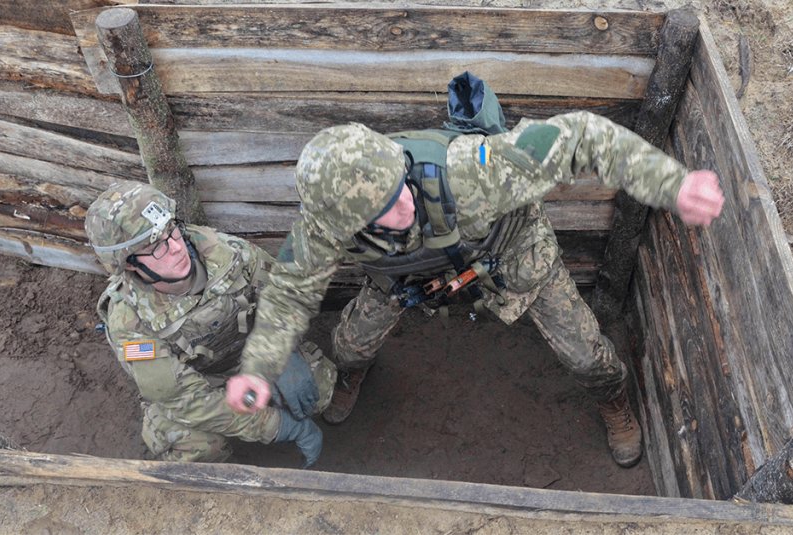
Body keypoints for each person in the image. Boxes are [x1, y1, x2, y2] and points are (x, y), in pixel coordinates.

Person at [225, 84, 724, 468]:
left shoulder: (472, 171)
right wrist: (258, 369)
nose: (404, 205)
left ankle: (612, 400)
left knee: (587, 355)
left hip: (508, 254)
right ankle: (355, 375)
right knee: (349, 346)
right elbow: (287, 294)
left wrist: (672, 184)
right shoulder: (322, 228)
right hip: (405, 278)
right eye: (383, 210)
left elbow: (581, 136)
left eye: (400, 187)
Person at [85, 181, 336, 467]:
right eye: (156, 247)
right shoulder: (129, 322)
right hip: (196, 385)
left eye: (171, 230)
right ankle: (228, 482)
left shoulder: (226, 253)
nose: (176, 248)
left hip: (249, 356)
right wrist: (277, 426)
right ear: (130, 264)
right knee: (195, 448)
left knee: (319, 388)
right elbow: (185, 400)